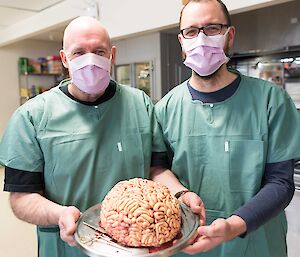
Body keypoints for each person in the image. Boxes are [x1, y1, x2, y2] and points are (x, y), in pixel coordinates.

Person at [0, 16, 166, 257]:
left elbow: (157, 170)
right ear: (65, 59)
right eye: (79, 52)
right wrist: (61, 215)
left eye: (99, 51)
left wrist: (180, 194)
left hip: (135, 244)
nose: (91, 60)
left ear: (113, 55)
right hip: (68, 247)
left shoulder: (140, 104)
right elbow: (22, 198)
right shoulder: (32, 117)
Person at [151, 0, 300, 256]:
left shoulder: (270, 101)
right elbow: (158, 167)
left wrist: (233, 226)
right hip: (188, 242)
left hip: (255, 243)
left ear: (229, 35)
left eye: (212, 28)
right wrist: (181, 193)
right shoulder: (166, 108)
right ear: (182, 41)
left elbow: (281, 182)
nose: (201, 39)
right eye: (191, 31)